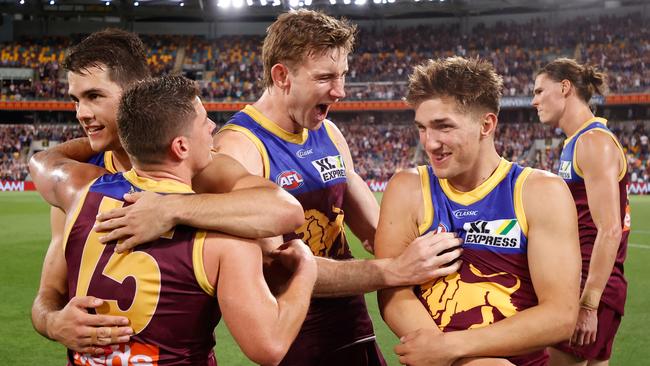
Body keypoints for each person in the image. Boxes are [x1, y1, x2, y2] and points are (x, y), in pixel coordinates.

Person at [94, 10, 463, 365]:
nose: (340, 91)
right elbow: (278, 267)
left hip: (353, 324)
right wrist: (393, 270)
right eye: (325, 77)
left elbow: (377, 232)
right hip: (297, 338)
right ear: (282, 75)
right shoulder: (239, 147)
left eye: (343, 75)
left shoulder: (329, 132)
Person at [29, 28, 304, 356]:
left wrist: (171, 208)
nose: (81, 113)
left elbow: (284, 210)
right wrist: (52, 323)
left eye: (94, 96)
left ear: (136, 93)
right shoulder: (81, 186)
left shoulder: (202, 170)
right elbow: (49, 293)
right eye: (76, 100)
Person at [375, 56, 582, 366]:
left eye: (443, 127)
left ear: (487, 124)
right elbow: (393, 291)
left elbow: (560, 315)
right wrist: (450, 357)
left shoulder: (540, 192)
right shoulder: (407, 188)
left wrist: (452, 348)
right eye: (422, 128)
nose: (430, 143)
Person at [533, 58, 630, 366]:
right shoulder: (576, 143)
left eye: (539, 91)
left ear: (565, 88)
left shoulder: (593, 142)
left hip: (589, 286)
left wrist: (588, 305)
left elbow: (610, 228)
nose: (534, 100)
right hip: (586, 282)